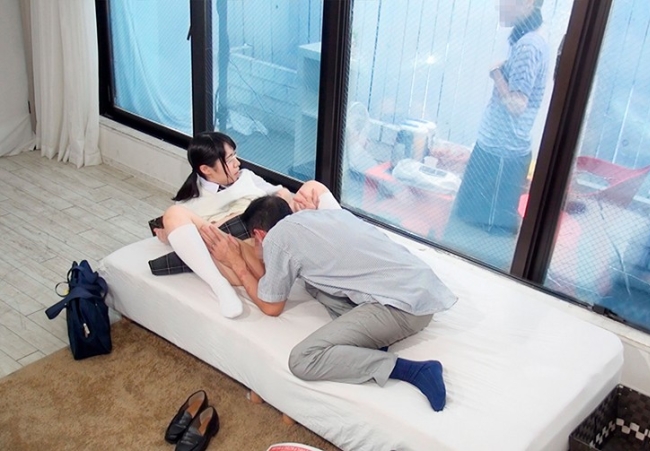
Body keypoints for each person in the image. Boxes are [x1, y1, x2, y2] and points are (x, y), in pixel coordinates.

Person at [199, 191, 458, 411]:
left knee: (302, 360)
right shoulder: (325, 216)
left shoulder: (277, 238)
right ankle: (369, 343)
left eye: (254, 243)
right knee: (312, 284)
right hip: (421, 290)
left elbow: (271, 306)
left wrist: (237, 263)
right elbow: (276, 285)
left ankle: (415, 371)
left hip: (404, 308)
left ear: (259, 234)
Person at [150, 131, 326, 318]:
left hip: (266, 242)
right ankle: (219, 286)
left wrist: (301, 208)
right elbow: (187, 235)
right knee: (173, 214)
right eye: (229, 160)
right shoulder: (189, 203)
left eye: (235, 155)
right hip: (234, 253)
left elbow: (281, 194)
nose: (237, 163)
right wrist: (170, 235)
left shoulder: (246, 177)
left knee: (313, 186)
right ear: (206, 169)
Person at [453, 0, 549, 234]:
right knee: (468, 223)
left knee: (479, 231)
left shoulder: (528, 46)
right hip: (497, 150)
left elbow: (517, 105)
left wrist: (496, 74)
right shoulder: (531, 40)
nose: (498, 6)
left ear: (526, 3)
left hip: (501, 155)